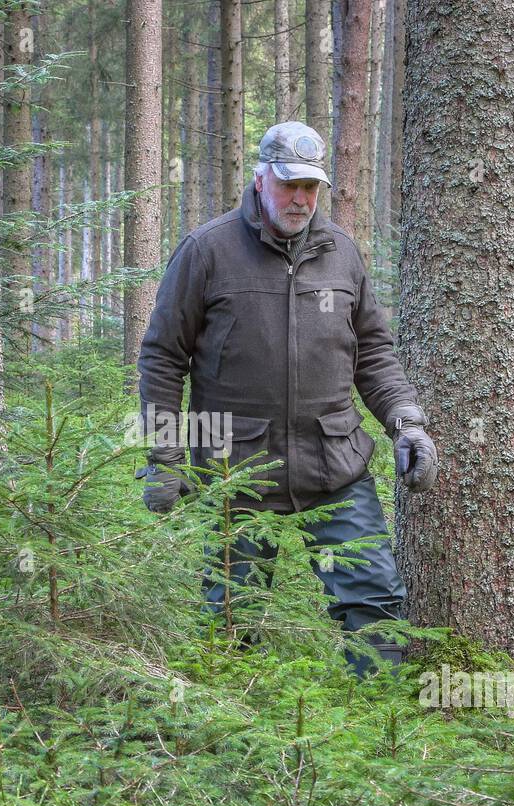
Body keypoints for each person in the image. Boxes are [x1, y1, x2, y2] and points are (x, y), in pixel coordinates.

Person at [135, 121, 438, 673]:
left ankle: (385, 735)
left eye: (311, 187)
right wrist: (163, 456)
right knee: (233, 618)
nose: (300, 199)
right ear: (260, 180)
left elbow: (371, 352)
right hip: (238, 474)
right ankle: (235, 741)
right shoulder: (208, 251)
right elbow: (162, 357)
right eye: (289, 184)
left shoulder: (342, 254)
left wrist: (406, 421)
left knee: (374, 603)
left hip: (335, 467)